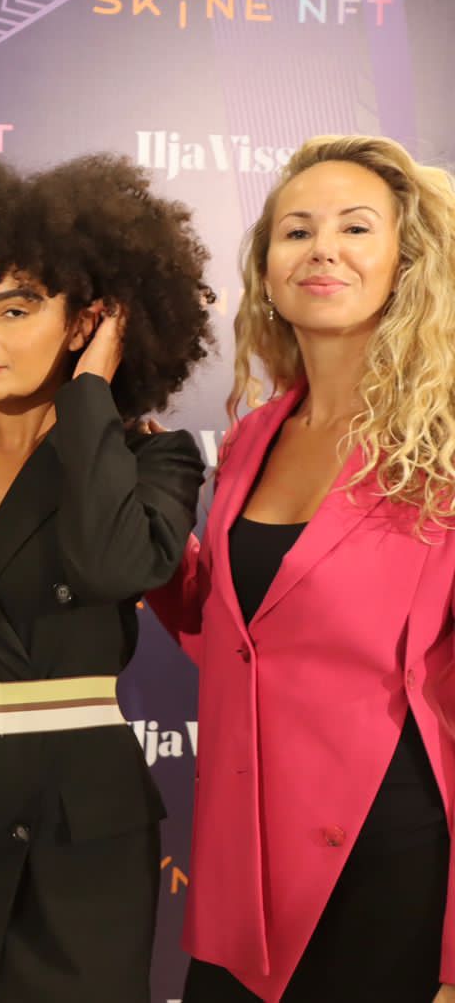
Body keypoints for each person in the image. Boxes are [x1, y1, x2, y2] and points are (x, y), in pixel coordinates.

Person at [0, 148, 213, 1002]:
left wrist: (91, 394)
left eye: (15, 308)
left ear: (89, 320)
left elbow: (112, 564)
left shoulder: (153, 458)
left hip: (77, 833)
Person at [149, 135, 455, 1003]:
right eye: (297, 231)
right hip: (243, 879)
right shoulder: (253, 436)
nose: (323, 249)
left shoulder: (446, 444)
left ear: (406, 262)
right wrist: (132, 515)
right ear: (267, 272)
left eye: (355, 227)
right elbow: (237, 638)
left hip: (390, 865)